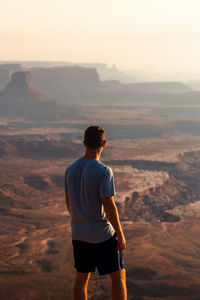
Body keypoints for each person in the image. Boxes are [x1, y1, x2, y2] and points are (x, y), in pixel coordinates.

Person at [65, 126, 127, 300]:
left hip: (78, 233)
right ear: (104, 144)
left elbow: (69, 201)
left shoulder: (70, 169)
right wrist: (120, 234)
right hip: (102, 235)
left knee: (81, 279)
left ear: (84, 143)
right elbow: (109, 206)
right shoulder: (104, 171)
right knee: (118, 277)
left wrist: (79, 221)